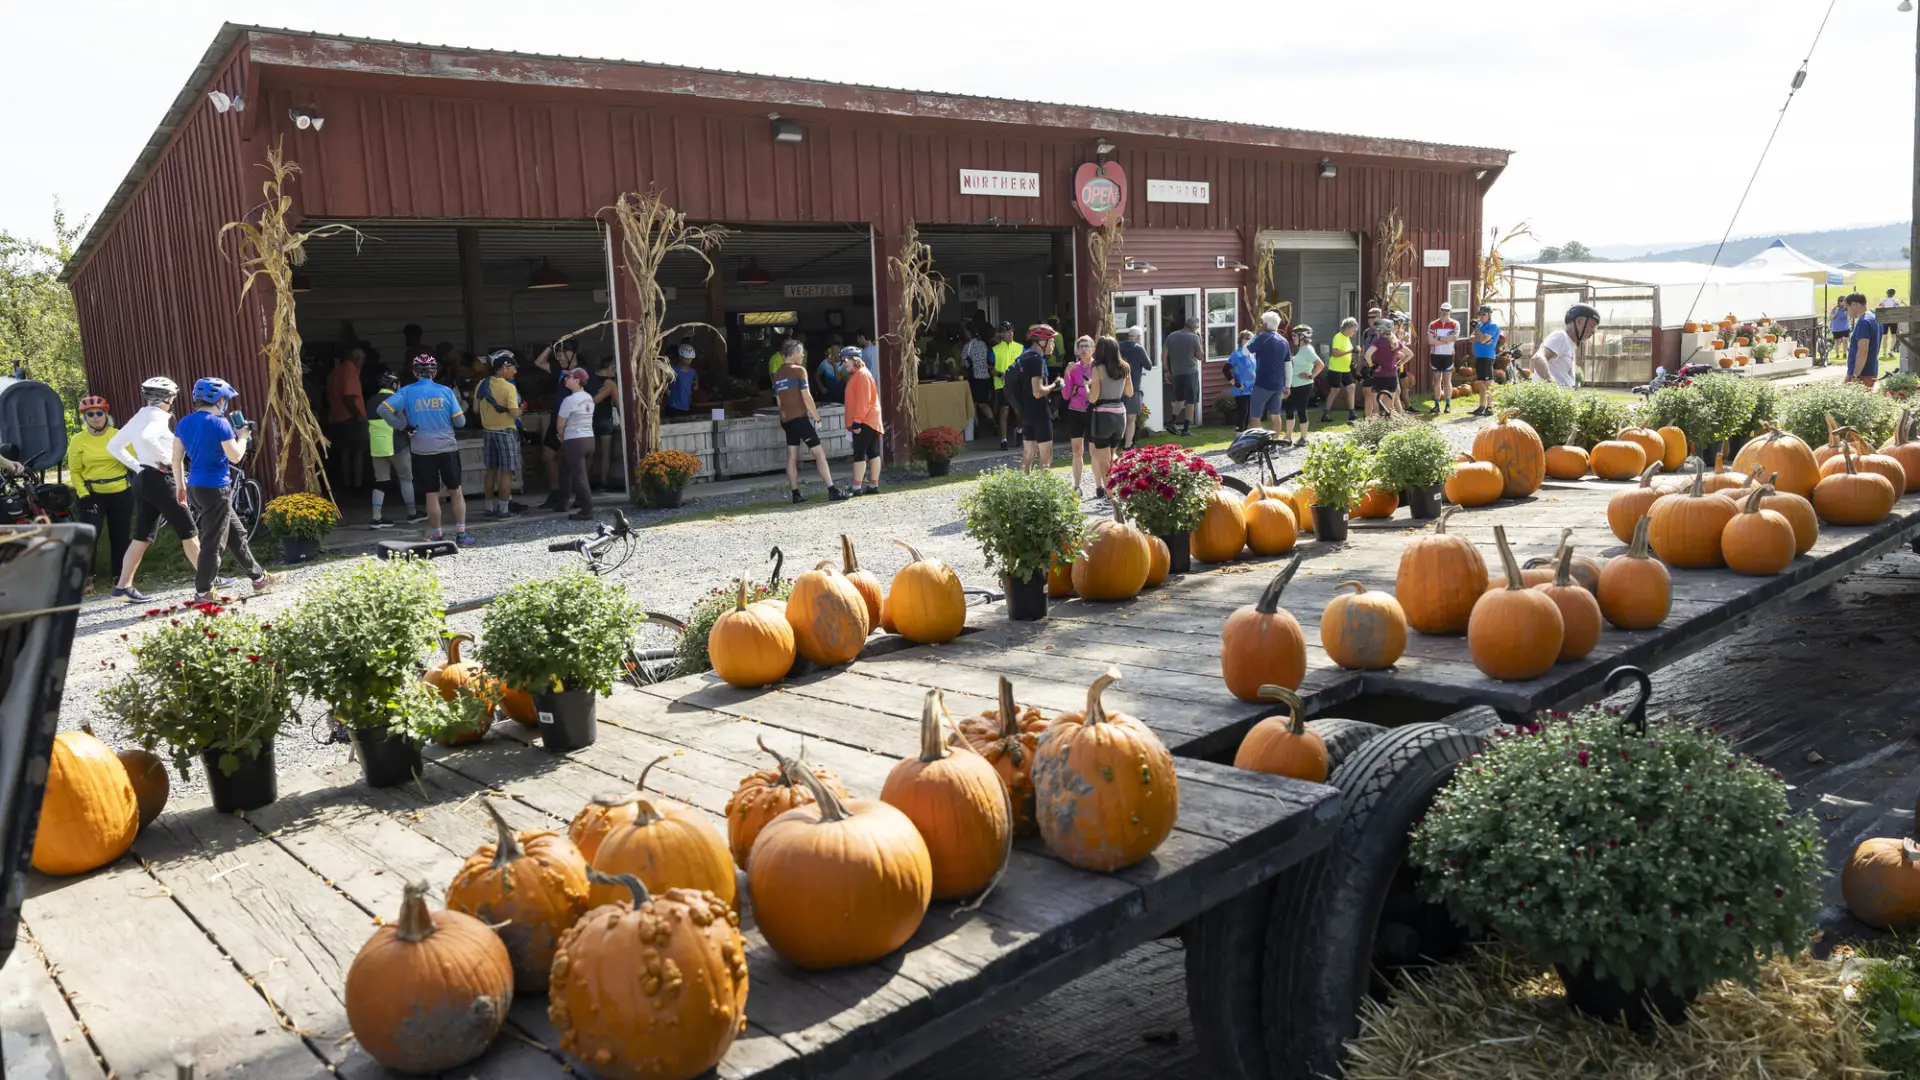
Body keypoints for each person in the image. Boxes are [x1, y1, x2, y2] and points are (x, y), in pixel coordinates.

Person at [173, 378, 274, 604]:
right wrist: (244, 436)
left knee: (237, 535)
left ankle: (259, 578)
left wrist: (180, 486)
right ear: (220, 400)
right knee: (213, 542)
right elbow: (236, 456)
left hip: (195, 488)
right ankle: (203, 592)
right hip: (216, 488)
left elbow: (177, 458)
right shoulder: (220, 423)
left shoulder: (184, 423)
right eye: (226, 400)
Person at [106, 377, 206, 603]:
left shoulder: (141, 415)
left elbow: (113, 445)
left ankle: (123, 587)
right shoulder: (158, 417)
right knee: (188, 529)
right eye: (172, 397)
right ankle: (208, 579)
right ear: (167, 397)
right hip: (161, 479)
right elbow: (149, 438)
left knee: (142, 534)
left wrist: (137, 466)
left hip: (143, 479)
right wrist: (167, 460)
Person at [379, 354, 473, 544]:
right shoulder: (445, 391)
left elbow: (382, 409)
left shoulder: (406, 392)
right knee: (455, 490)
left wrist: (403, 425)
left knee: (431, 493)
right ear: (435, 372)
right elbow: (460, 422)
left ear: (415, 373)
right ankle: (461, 534)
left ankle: (437, 535)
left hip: (421, 449)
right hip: (446, 447)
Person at [67, 394, 134, 589]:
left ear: (106, 414)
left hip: (121, 491)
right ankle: (87, 577)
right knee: (90, 535)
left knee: (120, 535)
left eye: (99, 413)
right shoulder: (78, 440)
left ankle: (119, 576)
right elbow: (75, 472)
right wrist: (83, 495)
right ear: (84, 418)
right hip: (92, 494)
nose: (96, 417)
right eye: (90, 414)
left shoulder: (117, 435)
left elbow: (135, 459)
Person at [772, 341, 848, 503]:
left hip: (786, 420)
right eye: (801, 352)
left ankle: (795, 493)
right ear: (793, 353)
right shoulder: (799, 371)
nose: (803, 355)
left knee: (792, 455)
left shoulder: (777, 374)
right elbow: (807, 397)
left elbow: (779, 402)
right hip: (800, 418)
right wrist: (817, 418)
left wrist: (785, 415)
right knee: (819, 453)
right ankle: (832, 490)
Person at [474, 349, 523, 520]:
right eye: (513, 368)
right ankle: (503, 509)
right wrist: (522, 407)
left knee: (491, 471)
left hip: (488, 432)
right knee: (506, 472)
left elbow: (475, 409)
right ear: (505, 368)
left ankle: (488, 507)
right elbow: (515, 414)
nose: (515, 371)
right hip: (506, 432)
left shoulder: (482, 384)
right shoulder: (508, 387)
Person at [366, 371, 417, 529]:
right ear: (394, 385)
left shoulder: (371, 401)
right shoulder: (396, 399)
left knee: (380, 481)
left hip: (377, 446)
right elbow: (405, 421)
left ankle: (376, 517)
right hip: (397, 444)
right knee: (406, 478)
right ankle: (412, 513)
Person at [1010, 326, 1064, 473]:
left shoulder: (1024, 357)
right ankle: (1041, 490)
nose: (1052, 345)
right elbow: (1038, 391)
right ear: (1042, 342)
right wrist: (1055, 385)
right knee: (1046, 455)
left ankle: (1025, 488)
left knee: (1028, 454)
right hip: (1039, 411)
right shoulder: (1036, 361)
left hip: (1026, 412)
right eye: (1051, 341)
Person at [1087, 336, 1132, 497]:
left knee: (1103, 458)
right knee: (1113, 453)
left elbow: (1093, 397)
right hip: (1120, 414)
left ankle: (1110, 492)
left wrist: (1087, 390)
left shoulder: (1097, 368)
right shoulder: (1125, 367)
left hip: (1102, 415)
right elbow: (1129, 392)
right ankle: (1118, 483)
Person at [554, 366, 598, 519]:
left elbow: (560, 423)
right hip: (589, 439)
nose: (566, 379)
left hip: (574, 440)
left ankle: (587, 510)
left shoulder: (569, 400)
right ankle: (563, 501)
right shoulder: (589, 398)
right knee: (567, 468)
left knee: (580, 476)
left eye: (570, 377)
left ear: (578, 381)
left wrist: (561, 436)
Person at [841, 346, 884, 496]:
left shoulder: (861, 375)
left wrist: (857, 421)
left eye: (846, 360)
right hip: (869, 419)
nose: (843, 363)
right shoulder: (859, 374)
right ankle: (873, 485)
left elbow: (863, 400)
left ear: (855, 360)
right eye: (842, 360)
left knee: (859, 453)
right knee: (872, 451)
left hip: (865, 420)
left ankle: (856, 487)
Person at [327, 347, 368, 492]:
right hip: (351, 418)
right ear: (357, 359)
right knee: (358, 451)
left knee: (345, 451)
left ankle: (346, 482)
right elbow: (349, 396)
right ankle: (357, 484)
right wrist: (358, 414)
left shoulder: (336, 371)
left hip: (338, 417)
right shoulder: (350, 369)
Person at [1532, 303, 1599, 390]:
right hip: (1551, 400)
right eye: (1592, 326)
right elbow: (1537, 359)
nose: (1593, 332)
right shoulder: (1561, 337)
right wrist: (1552, 385)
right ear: (1578, 321)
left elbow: (1532, 365)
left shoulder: (1569, 344)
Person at [1245, 312, 1291, 433]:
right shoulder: (1284, 341)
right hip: (1278, 384)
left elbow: (1245, 351)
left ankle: (1256, 442)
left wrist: (1256, 335)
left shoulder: (1262, 338)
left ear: (1265, 324)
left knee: (1255, 415)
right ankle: (1274, 442)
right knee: (1275, 414)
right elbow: (1288, 365)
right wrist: (1288, 385)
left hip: (1262, 382)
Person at [1061, 336, 1096, 495]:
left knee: (1095, 451)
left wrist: (1078, 389)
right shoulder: (1073, 367)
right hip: (1075, 412)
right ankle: (1077, 486)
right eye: (1080, 346)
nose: (1083, 349)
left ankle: (1099, 486)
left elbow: (1094, 394)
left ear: (1093, 348)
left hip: (1093, 412)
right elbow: (1066, 395)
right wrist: (1067, 375)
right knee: (1077, 451)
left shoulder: (1097, 367)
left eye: (1087, 346)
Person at [1283, 326, 1325, 447]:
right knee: (1289, 409)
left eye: (1295, 336)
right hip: (1294, 384)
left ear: (1302, 336)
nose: (1293, 338)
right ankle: (1288, 437)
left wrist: (1311, 376)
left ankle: (1303, 438)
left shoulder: (1307, 349)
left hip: (1304, 385)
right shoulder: (1301, 349)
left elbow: (1320, 364)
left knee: (1301, 409)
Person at [1163, 316, 1204, 436]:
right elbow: (1200, 356)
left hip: (1176, 372)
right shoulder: (1194, 337)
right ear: (1194, 327)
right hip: (1190, 372)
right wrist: (1199, 341)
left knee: (1180, 399)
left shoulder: (1172, 336)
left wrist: (1166, 370)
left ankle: (1172, 422)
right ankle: (1186, 429)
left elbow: (1164, 353)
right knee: (1191, 400)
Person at [587, 354, 620, 491]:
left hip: (589, 419)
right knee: (605, 452)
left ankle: (586, 480)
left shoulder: (588, 378)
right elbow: (619, 404)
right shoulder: (610, 383)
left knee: (590, 452)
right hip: (605, 419)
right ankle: (603, 482)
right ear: (610, 368)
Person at [1319, 318, 1360, 424]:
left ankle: (1352, 413)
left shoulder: (1347, 338)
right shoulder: (1338, 337)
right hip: (1336, 369)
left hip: (1345, 369)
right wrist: (1350, 351)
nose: (1355, 332)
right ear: (1348, 328)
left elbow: (1346, 352)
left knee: (1351, 387)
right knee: (1334, 391)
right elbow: (1335, 353)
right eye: (1354, 329)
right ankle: (1326, 414)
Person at [1365, 319, 1409, 417]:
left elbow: (1367, 355)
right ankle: (1389, 429)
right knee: (1389, 408)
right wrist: (1399, 364)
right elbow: (1410, 354)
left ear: (1382, 330)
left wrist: (1372, 366)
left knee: (1376, 409)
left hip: (1379, 376)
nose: (1376, 331)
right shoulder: (1396, 342)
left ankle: (1376, 428)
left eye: (1378, 329)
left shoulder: (1379, 342)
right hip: (1392, 376)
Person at [991, 321, 1024, 449]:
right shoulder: (995, 349)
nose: (1010, 334)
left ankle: (1020, 430)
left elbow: (1024, 365)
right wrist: (999, 374)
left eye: (1011, 331)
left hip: (1017, 385)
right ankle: (1003, 440)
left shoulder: (1020, 348)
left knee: (1019, 412)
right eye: (1007, 332)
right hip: (1002, 385)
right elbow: (990, 368)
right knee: (1004, 411)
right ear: (1001, 334)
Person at [1120, 325, 1153, 449]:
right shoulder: (1138, 348)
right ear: (1139, 337)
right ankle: (1128, 445)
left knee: (1120, 416)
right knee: (1131, 417)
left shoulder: (1119, 346)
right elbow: (1149, 365)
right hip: (1133, 386)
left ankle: (1118, 442)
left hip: (1118, 387)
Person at [1426, 301, 1460, 414]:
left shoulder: (1455, 324)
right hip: (1435, 355)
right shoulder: (1433, 324)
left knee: (1447, 380)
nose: (1445, 312)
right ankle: (1436, 404)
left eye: (1447, 310)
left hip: (1448, 355)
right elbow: (1430, 341)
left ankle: (1448, 405)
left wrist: (1439, 339)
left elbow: (1455, 338)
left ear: (1450, 311)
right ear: (1440, 310)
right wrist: (1446, 340)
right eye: (1443, 310)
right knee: (1436, 379)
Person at [962, 322, 995, 433]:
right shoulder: (983, 344)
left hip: (975, 377)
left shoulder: (968, 346)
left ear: (968, 332)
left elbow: (964, 363)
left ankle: (975, 426)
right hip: (986, 375)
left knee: (976, 403)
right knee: (983, 402)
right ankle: (991, 423)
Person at [1470, 304, 1501, 416]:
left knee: (1488, 383)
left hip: (1487, 356)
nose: (1481, 316)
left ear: (1489, 315)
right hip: (1479, 356)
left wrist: (1479, 334)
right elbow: (1471, 338)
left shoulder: (1493, 325)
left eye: (1484, 314)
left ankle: (1490, 407)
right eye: (1480, 314)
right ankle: (1481, 406)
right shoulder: (1479, 325)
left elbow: (1483, 340)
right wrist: (1481, 337)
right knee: (1481, 383)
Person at [1847, 291, 1882, 388]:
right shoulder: (1875, 318)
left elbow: (1863, 350)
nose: (1847, 311)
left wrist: (1855, 375)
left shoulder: (1863, 322)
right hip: (1871, 369)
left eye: (1847, 308)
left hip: (1861, 373)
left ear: (1854, 305)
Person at [1225, 329, 1256, 431]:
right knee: (1243, 412)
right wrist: (1235, 383)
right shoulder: (1237, 354)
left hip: (1252, 388)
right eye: (1246, 338)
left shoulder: (1253, 354)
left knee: (1249, 414)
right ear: (1241, 340)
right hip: (1241, 388)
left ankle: (1245, 435)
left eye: (1250, 339)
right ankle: (1239, 435)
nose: (1248, 340)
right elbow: (1225, 370)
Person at [666, 343, 700, 419]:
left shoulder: (693, 372)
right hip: (673, 406)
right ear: (680, 357)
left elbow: (695, 384)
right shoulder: (672, 371)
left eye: (691, 359)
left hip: (686, 405)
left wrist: (695, 386)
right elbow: (665, 384)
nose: (689, 361)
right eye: (686, 358)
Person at [1880, 289, 1903, 359]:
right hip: (1893, 320)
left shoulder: (1883, 300)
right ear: (1893, 294)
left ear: (1887, 293)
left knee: (1884, 336)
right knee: (1893, 336)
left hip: (1885, 320)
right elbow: (1898, 309)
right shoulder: (1895, 301)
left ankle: (1884, 352)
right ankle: (1891, 350)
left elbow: (1880, 308)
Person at [1829, 297, 1852, 365]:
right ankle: (1837, 354)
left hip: (1845, 328)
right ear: (1839, 302)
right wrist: (1836, 312)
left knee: (1845, 340)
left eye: (1844, 301)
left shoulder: (1846, 309)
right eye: (1842, 301)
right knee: (1837, 342)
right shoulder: (1835, 309)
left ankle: (1845, 353)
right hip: (1836, 328)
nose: (1843, 303)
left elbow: (1851, 316)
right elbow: (1831, 318)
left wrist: (1848, 318)